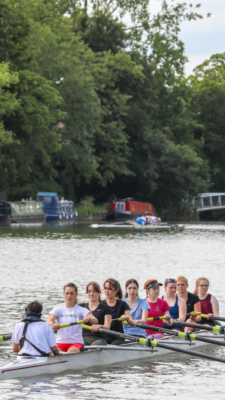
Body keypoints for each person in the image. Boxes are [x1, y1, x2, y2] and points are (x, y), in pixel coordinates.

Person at [48, 282, 98, 353]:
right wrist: (53, 323)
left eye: (72, 294)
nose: (69, 296)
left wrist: (89, 319)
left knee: (70, 353)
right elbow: (49, 321)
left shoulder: (81, 310)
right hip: (60, 343)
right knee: (53, 352)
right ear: (64, 294)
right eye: (67, 293)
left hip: (76, 343)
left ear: (76, 295)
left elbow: (95, 320)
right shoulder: (58, 310)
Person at [103, 278, 135, 345]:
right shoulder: (101, 304)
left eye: (109, 289)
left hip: (118, 337)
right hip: (103, 337)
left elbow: (132, 323)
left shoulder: (122, 304)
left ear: (116, 290)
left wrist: (126, 317)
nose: (106, 291)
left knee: (111, 347)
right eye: (105, 288)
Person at [79, 281, 112, 346]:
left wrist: (99, 326)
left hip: (99, 339)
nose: (91, 294)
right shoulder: (81, 307)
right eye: (89, 291)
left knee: (91, 350)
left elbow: (107, 327)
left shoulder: (106, 308)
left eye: (94, 291)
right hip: (83, 338)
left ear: (99, 292)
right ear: (87, 293)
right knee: (79, 348)